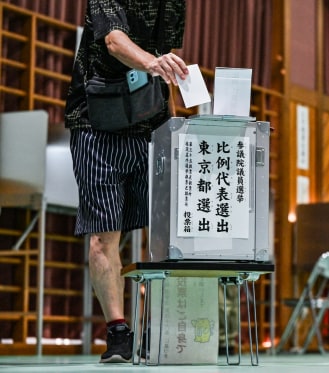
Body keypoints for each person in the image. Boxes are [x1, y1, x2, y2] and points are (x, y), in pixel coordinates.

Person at [64, 0, 188, 363]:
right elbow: (114, 41)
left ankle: (157, 329)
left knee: (165, 234)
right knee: (104, 236)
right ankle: (118, 332)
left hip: (149, 124)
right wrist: (151, 63)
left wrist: (174, 125)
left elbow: (168, 59)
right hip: (96, 124)